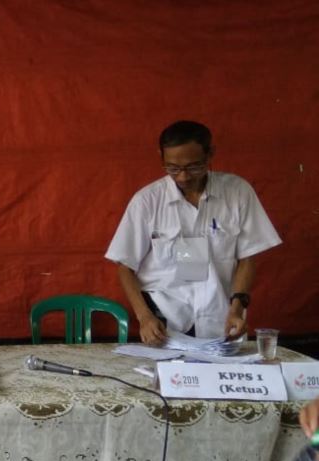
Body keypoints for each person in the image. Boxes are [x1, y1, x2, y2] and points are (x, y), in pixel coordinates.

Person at [106, 120, 282, 344]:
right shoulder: (147, 201)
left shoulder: (237, 192)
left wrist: (237, 308)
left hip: (221, 319)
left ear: (210, 154)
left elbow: (247, 258)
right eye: (173, 168)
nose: (183, 177)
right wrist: (145, 317)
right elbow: (125, 266)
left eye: (193, 167)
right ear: (161, 158)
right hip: (165, 320)